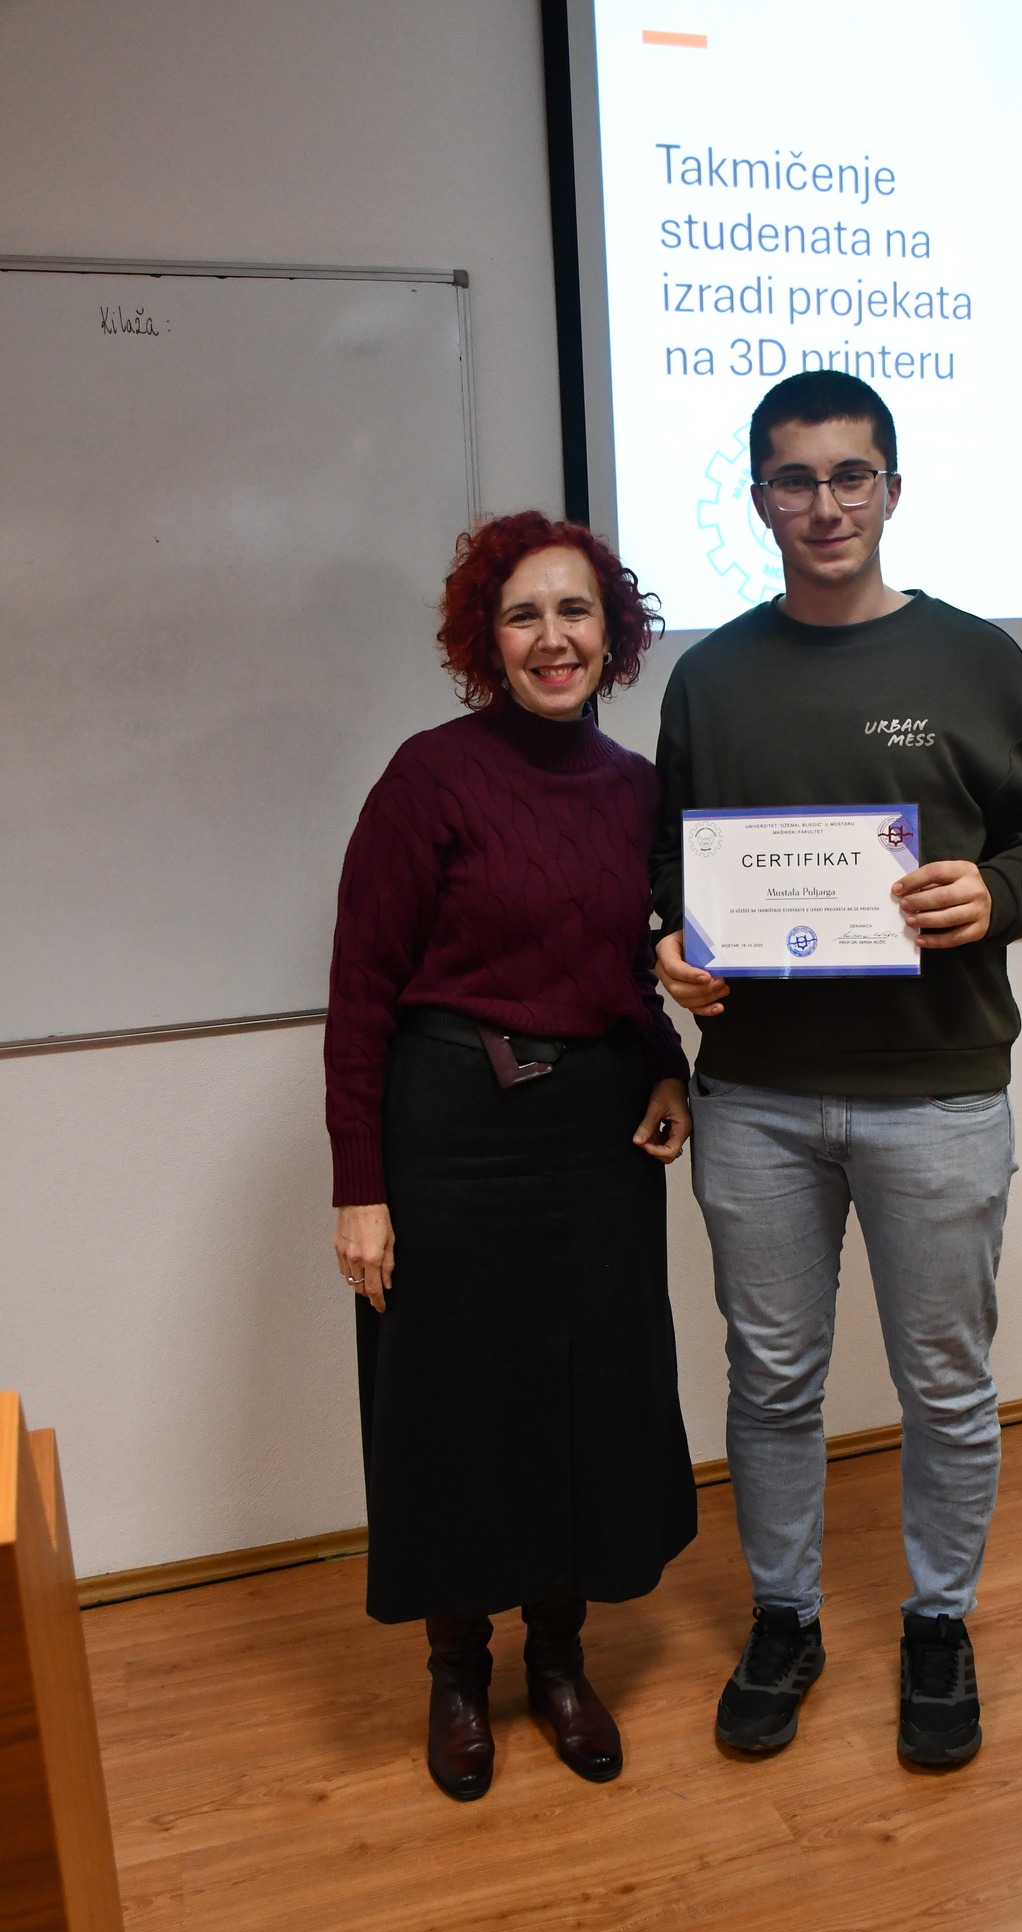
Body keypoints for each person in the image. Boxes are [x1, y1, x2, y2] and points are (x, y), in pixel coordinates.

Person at [651, 371, 1022, 1769]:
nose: (825, 505)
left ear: (892, 490)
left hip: (939, 1090)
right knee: (773, 1379)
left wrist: (997, 893)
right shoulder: (710, 677)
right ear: (757, 501)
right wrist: (668, 946)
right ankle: (784, 1615)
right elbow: (667, 867)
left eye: (851, 476)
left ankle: (937, 1621)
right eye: (794, 480)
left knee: (945, 1384)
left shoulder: (975, 658)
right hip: (757, 1099)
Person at [325, 511, 697, 1802]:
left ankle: (556, 1658)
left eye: (575, 611)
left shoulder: (635, 788)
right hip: (450, 1131)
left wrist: (665, 1063)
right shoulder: (429, 777)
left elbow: (625, 966)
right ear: (486, 640)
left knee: (583, 1397)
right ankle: (455, 1669)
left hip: (595, 1133)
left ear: (613, 632)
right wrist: (360, 1187)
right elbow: (360, 993)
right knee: (453, 1405)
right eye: (523, 614)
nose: (553, 638)